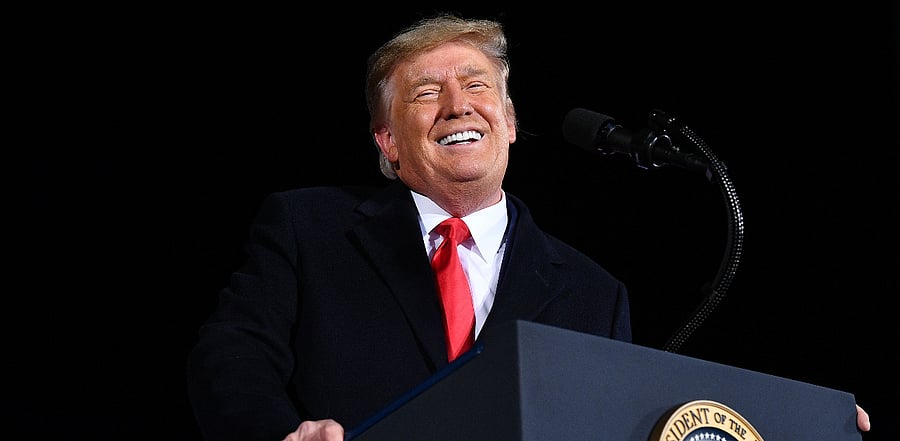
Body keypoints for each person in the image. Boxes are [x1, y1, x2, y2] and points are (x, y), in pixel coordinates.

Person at [186, 13, 871, 441]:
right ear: (388, 142)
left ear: (510, 123)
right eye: (426, 93)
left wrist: (800, 428)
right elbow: (230, 360)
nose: (459, 105)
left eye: (478, 85)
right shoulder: (307, 228)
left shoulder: (593, 293)